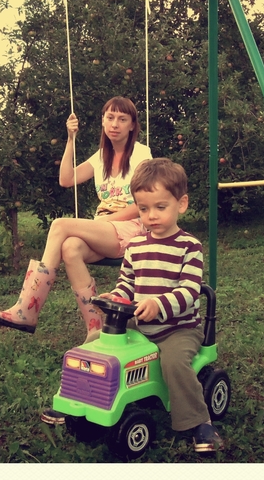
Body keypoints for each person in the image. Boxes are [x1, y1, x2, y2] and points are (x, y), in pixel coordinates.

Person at [43, 158, 223, 453]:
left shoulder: (189, 247)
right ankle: (76, 399)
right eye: (143, 209)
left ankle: (198, 421)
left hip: (177, 329)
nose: (151, 216)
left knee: (174, 363)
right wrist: (115, 296)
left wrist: (158, 304)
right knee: (93, 342)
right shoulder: (136, 246)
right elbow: (127, 283)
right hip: (139, 323)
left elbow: (190, 291)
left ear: (181, 204)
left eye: (160, 207)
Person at [0, 96, 152, 343]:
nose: (115, 124)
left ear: (132, 125)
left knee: (60, 224)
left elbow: (142, 205)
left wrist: (102, 223)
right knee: (70, 247)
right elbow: (66, 179)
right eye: (110, 117)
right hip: (105, 229)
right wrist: (70, 139)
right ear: (102, 121)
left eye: (122, 119)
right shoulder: (101, 157)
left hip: (131, 229)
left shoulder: (141, 154)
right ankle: (95, 327)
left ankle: (27, 308)